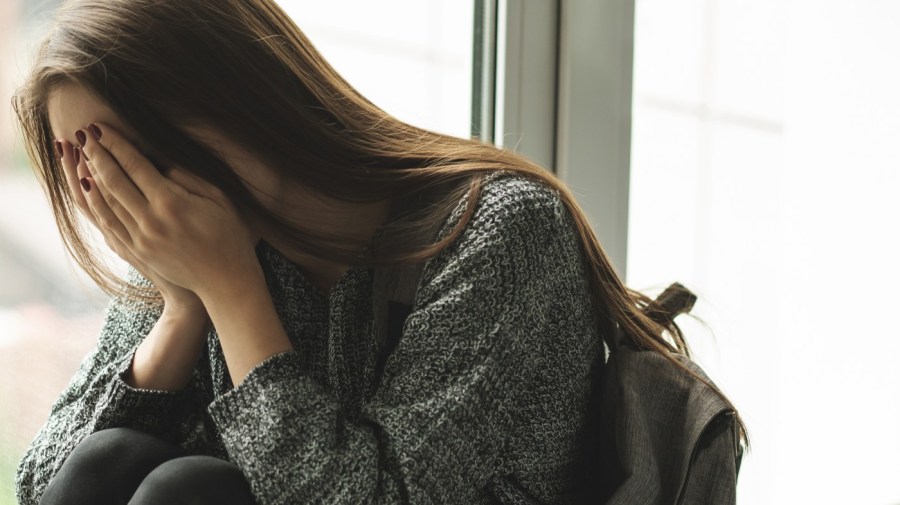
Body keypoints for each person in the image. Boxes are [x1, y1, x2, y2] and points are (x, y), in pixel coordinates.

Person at [11, 1, 741, 504]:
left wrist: (233, 291)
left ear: (227, 107)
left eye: (114, 160)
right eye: (80, 166)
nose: (108, 196)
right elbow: (51, 482)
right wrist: (180, 312)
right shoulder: (208, 250)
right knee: (115, 457)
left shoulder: (501, 232)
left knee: (188, 492)